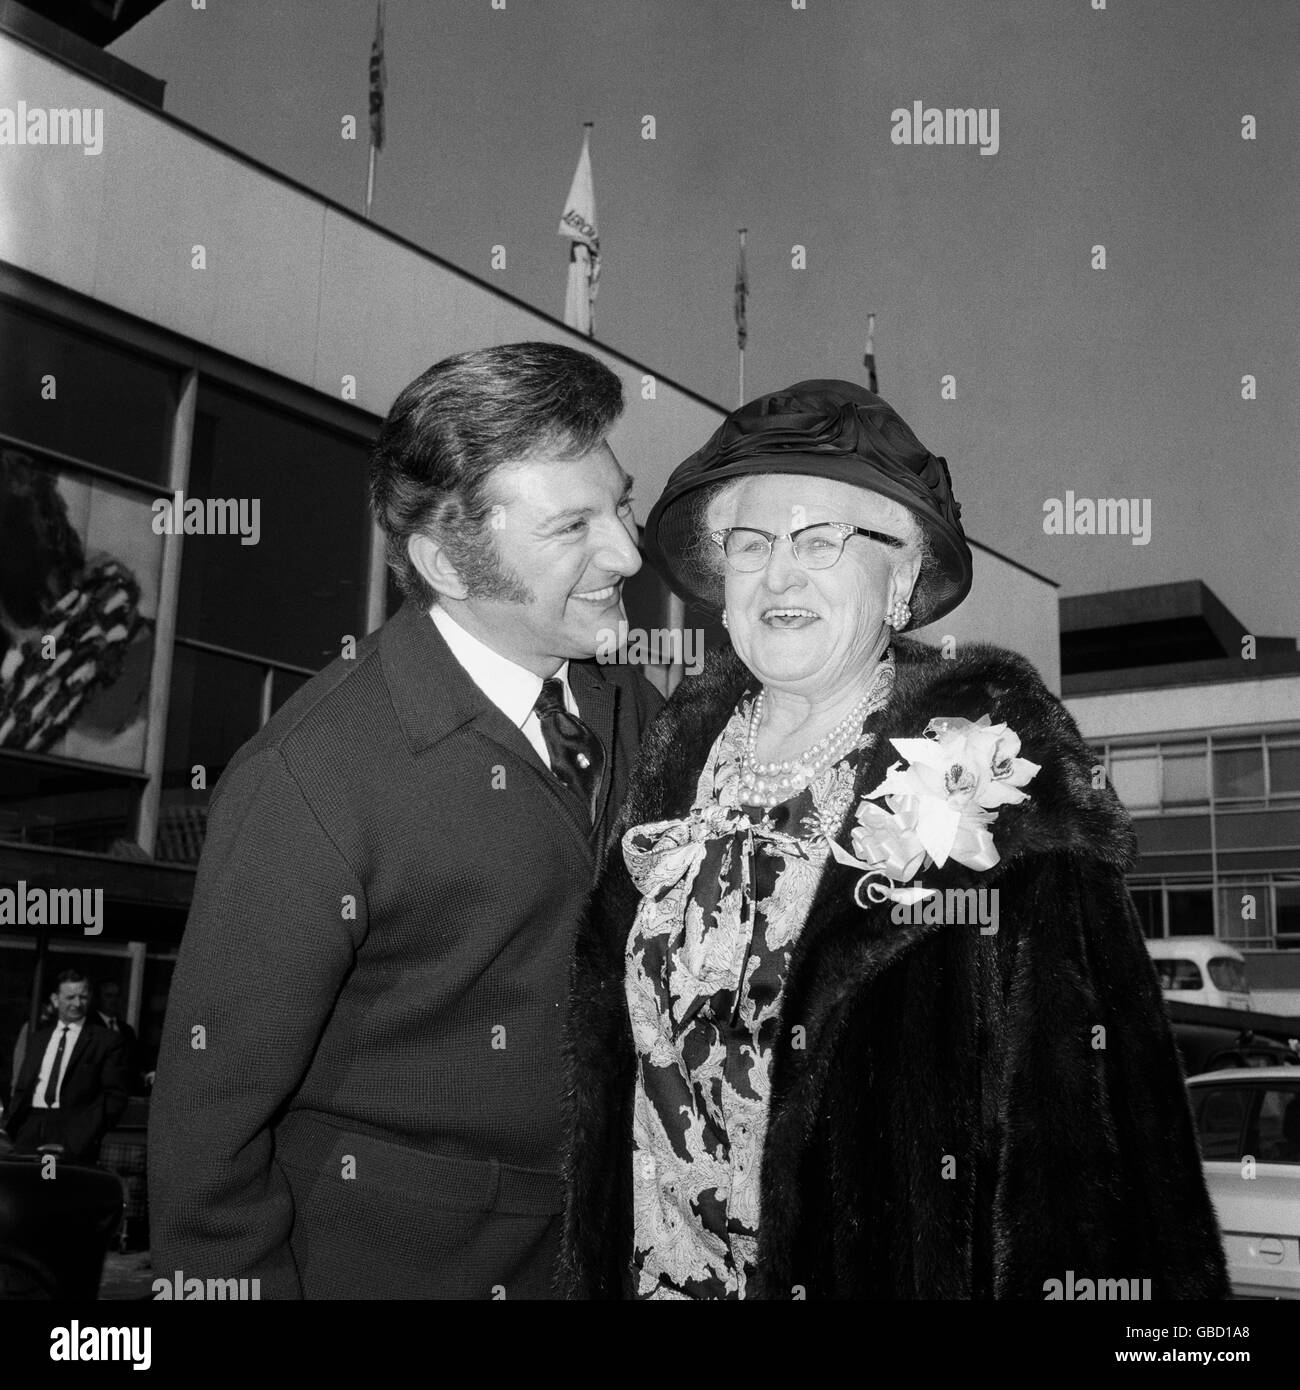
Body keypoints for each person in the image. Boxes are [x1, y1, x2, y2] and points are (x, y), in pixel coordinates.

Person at [558, 379, 1228, 1299]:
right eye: (751, 544)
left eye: (821, 539)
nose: (780, 574)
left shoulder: (996, 774)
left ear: (903, 577)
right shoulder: (679, 755)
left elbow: (1098, 1148)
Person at [149, 342, 662, 1300]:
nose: (628, 551)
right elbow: (206, 1141)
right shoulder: (309, 779)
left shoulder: (634, 705)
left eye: (622, 503)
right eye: (573, 527)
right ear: (445, 563)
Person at [5, 970, 128, 1165]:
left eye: (83, 997)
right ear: (55, 999)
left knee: (60, 1189)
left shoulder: (106, 1041)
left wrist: (85, 1135)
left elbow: (114, 1097)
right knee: (27, 1187)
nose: (77, 1004)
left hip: (72, 1132)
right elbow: (22, 1084)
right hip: (30, 1126)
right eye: (70, 997)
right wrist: (15, 1122)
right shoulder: (39, 1038)